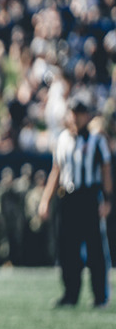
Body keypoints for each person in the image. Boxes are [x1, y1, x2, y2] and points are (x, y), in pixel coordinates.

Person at [38, 92, 112, 309]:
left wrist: (107, 199)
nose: (77, 117)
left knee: (95, 249)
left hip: (89, 197)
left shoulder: (97, 140)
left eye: (80, 113)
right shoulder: (61, 139)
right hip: (68, 198)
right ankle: (70, 294)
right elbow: (56, 171)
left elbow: (106, 171)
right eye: (74, 113)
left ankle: (100, 296)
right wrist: (45, 200)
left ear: (87, 115)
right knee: (67, 249)